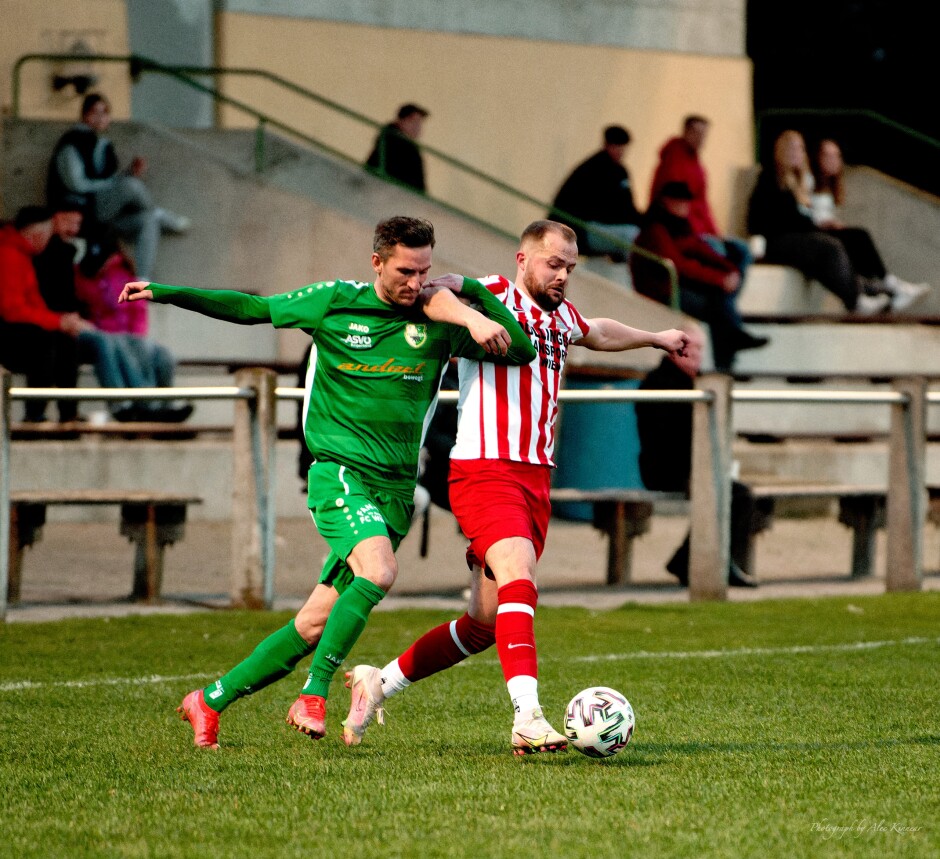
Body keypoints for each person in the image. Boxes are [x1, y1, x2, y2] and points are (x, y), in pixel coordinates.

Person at [118, 216, 536, 749]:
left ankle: (210, 699)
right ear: (376, 262)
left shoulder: (438, 318)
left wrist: (471, 293)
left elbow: (521, 350)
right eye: (406, 271)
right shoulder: (335, 302)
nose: (416, 282)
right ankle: (314, 693)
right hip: (339, 472)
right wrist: (167, 292)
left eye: (426, 270)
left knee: (313, 624)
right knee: (380, 570)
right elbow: (253, 310)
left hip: (394, 490)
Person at [340, 220, 689, 755]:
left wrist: (655, 338)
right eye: (553, 264)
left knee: (482, 624)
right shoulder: (494, 294)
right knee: (519, 576)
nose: (563, 275)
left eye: (570, 267)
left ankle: (378, 683)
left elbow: (594, 330)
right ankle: (527, 716)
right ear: (522, 259)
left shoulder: (560, 316)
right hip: (485, 469)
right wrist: (472, 323)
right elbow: (434, 294)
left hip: (534, 478)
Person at [34, 209, 190, 422]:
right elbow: (83, 307)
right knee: (117, 345)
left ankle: (164, 403)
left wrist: (137, 336)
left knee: (160, 354)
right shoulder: (80, 275)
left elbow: (138, 309)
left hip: (127, 335)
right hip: (101, 333)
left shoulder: (124, 273)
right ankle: (141, 403)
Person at [635, 325, 760, 588]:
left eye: (701, 348)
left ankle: (689, 560)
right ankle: (714, 564)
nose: (697, 354)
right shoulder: (659, 383)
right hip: (668, 469)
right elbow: (667, 440)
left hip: (692, 466)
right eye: (690, 346)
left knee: (736, 493)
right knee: (735, 495)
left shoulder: (695, 384)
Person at [46, 92, 190, 280]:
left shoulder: (104, 145)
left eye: (105, 112)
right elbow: (77, 184)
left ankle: (142, 280)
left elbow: (110, 181)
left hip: (106, 218)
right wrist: (119, 183)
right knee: (130, 186)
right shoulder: (72, 143)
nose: (100, 118)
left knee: (147, 220)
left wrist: (127, 175)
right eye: (94, 112)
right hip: (82, 212)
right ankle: (157, 211)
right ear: (84, 115)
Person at [747, 130, 889, 316]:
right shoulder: (771, 179)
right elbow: (773, 220)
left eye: (800, 148)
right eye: (793, 149)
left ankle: (868, 289)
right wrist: (812, 226)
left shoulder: (798, 182)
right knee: (828, 246)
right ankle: (856, 300)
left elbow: (799, 218)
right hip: (776, 241)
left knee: (837, 242)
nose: (798, 153)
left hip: (794, 237)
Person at [631, 181, 768, 372]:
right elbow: (678, 266)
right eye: (680, 201)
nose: (685, 206)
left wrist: (729, 269)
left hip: (676, 284)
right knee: (716, 305)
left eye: (687, 202)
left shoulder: (679, 226)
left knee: (720, 299)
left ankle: (728, 354)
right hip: (663, 289)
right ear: (667, 202)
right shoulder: (656, 229)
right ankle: (728, 355)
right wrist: (719, 279)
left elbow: (700, 249)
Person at [811, 138, 929, 311]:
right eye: (827, 155)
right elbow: (805, 211)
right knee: (859, 236)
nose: (833, 160)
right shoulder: (808, 180)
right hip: (813, 234)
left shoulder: (830, 186)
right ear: (817, 157)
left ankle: (887, 290)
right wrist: (824, 223)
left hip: (824, 234)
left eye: (836, 156)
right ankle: (890, 286)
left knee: (855, 241)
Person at [0, 206, 83, 422]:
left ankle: (68, 413)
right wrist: (57, 321)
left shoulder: (22, 255)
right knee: (42, 342)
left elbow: (35, 306)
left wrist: (60, 323)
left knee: (66, 343)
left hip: (16, 328)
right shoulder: (8, 255)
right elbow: (12, 310)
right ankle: (34, 414)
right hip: (8, 332)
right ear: (38, 235)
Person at [650, 115, 753, 278]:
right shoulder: (674, 159)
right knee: (718, 255)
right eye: (696, 133)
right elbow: (678, 210)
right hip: (686, 233)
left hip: (701, 231)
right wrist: (702, 235)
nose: (701, 139)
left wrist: (715, 232)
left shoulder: (697, 164)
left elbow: (703, 205)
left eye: (704, 134)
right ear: (685, 132)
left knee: (742, 250)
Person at [549, 125, 643, 260]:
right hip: (579, 230)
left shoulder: (620, 171)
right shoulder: (593, 169)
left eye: (623, 147)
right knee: (631, 236)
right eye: (616, 146)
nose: (620, 151)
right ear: (606, 144)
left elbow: (627, 206)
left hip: (593, 227)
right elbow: (603, 209)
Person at [365, 103, 429, 193]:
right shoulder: (399, 144)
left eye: (419, 123)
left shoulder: (388, 138)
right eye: (413, 121)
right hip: (391, 195)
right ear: (400, 121)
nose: (417, 127)